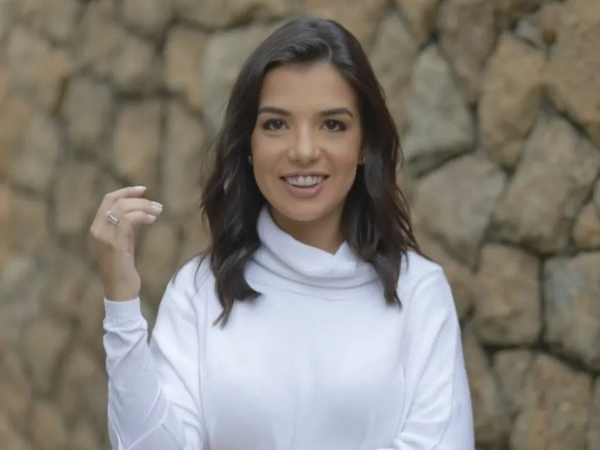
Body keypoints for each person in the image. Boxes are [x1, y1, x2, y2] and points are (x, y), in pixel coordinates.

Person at [90, 16, 474, 450]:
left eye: (333, 125)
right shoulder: (199, 292)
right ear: (248, 147)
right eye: (276, 124)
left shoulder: (419, 292)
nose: (304, 151)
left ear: (364, 144)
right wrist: (121, 303)